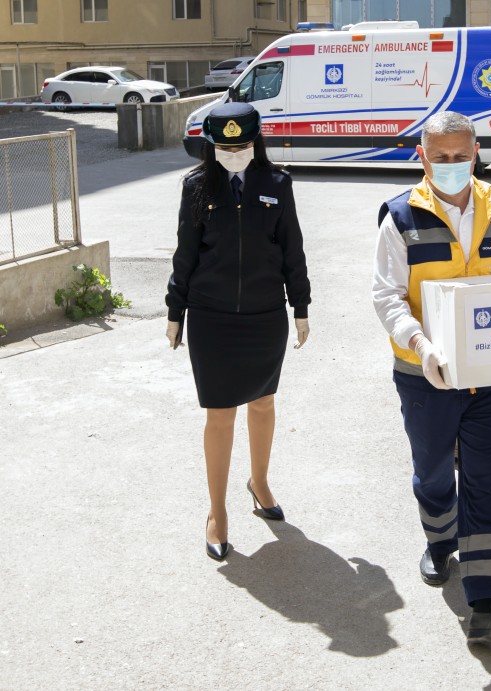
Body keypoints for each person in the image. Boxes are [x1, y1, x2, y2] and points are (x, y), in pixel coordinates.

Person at [371, 111, 491, 643]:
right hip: (424, 376)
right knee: (432, 473)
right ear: (422, 157)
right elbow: (385, 296)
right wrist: (421, 344)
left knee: (487, 480)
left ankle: (489, 603)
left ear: (476, 154)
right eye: (440, 157)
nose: (451, 166)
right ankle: (438, 540)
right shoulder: (400, 217)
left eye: (460, 156)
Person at [165, 102, 311, 560]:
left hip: (265, 314)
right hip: (212, 317)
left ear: (257, 142)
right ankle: (216, 510)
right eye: (226, 147)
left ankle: (260, 482)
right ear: (211, 146)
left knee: (264, 402)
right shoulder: (196, 187)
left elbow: (293, 249)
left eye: (243, 145)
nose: (235, 153)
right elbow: (185, 255)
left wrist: (300, 306)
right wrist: (175, 312)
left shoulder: (277, 184)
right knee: (220, 414)